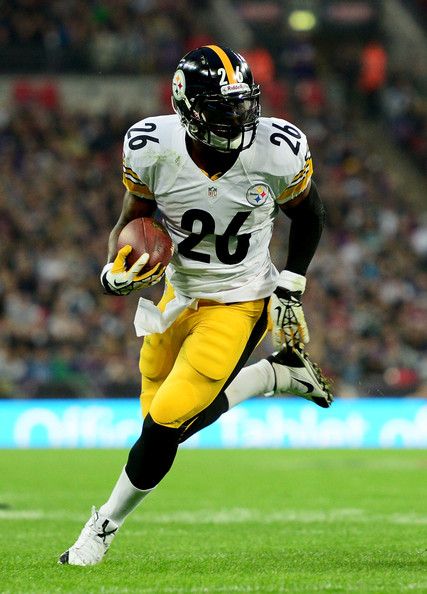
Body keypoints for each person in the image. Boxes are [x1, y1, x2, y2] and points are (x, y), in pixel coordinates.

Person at [59, 44, 333, 566]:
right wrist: (114, 270)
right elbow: (131, 222)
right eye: (222, 108)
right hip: (177, 295)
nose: (238, 119)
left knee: (164, 426)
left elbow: (310, 213)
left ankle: (100, 529)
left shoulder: (276, 150)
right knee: (158, 422)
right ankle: (273, 376)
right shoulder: (152, 148)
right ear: (187, 108)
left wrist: (290, 285)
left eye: (243, 104)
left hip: (240, 300)